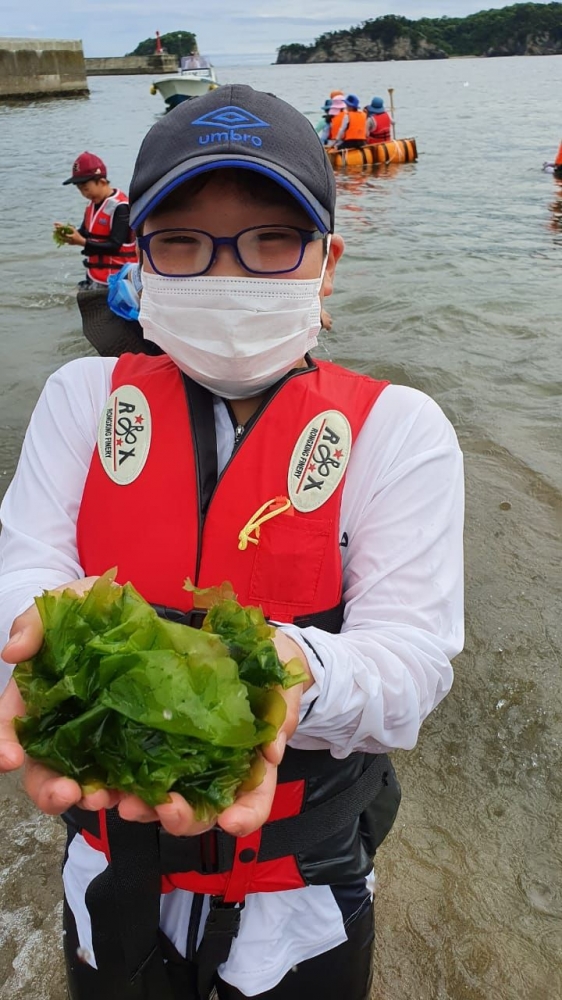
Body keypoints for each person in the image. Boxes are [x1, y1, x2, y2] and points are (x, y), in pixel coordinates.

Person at [0, 84, 464, 1000]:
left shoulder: (398, 429)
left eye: (269, 240)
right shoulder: (79, 401)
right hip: (108, 871)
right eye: (183, 243)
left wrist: (288, 673)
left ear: (324, 262)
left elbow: (413, 664)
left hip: (301, 899)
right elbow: (27, 567)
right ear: (143, 263)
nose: (228, 273)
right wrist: (33, 642)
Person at [54, 151, 137, 290]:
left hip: (118, 281)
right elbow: (86, 233)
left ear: (102, 182)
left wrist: (81, 242)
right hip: (96, 276)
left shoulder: (121, 207)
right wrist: (69, 234)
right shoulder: (92, 205)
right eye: (80, 190)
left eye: (86, 189)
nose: (84, 194)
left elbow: (114, 246)